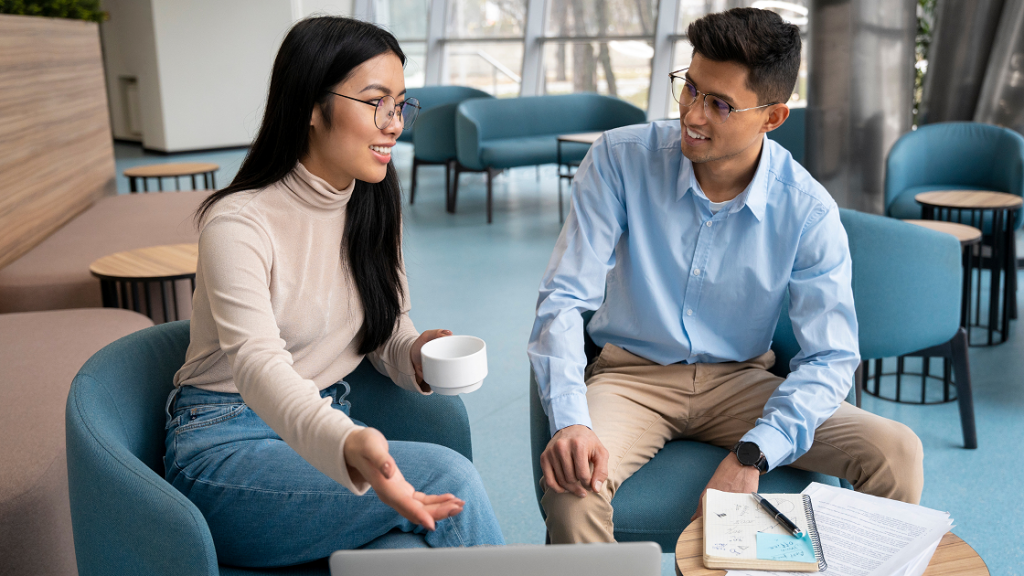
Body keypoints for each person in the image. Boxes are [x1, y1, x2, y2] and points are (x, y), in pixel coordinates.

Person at [527, 7, 924, 543]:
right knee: (574, 491)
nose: (692, 115)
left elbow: (831, 356)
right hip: (630, 379)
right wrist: (572, 419)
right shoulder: (618, 160)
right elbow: (562, 299)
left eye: (719, 104)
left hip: (742, 382)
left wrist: (754, 452)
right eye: (689, 89)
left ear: (773, 117)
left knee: (897, 452)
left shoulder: (807, 209)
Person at [163, 16, 504, 567]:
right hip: (223, 449)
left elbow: (384, 325)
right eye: (376, 102)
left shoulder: (371, 196)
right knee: (448, 477)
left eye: (400, 104)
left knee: (403, 549)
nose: (395, 124)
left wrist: (414, 353)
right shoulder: (237, 225)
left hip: (320, 424)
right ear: (311, 109)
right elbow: (257, 365)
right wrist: (346, 443)